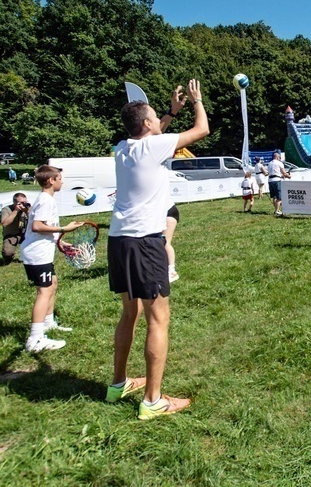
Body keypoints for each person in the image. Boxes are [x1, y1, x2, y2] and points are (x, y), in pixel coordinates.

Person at [106, 80, 208, 420]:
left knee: (129, 313)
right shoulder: (152, 147)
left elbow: (155, 134)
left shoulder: (123, 147)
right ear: (147, 125)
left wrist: (168, 112)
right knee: (158, 320)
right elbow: (202, 129)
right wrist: (195, 102)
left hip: (119, 240)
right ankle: (153, 401)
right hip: (144, 242)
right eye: (154, 118)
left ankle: (119, 383)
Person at [18, 165, 84, 352]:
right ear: (50, 181)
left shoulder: (45, 199)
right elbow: (37, 226)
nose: (62, 181)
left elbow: (44, 225)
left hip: (41, 251)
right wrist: (65, 229)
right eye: (60, 178)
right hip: (37, 253)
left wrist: (59, 242)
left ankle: (48, 322)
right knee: (44, 292)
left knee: (52, 283)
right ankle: (35, 339)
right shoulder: (46, 200)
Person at [0, 192, 29, 264]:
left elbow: (36, 221)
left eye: (25, 202)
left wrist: (27, 212)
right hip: (12, 234)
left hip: (25, 234)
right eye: (21, 203)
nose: (23, 204)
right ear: (14, 202)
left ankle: (28, 257)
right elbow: (4, 223)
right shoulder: (6, 210)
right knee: (8, 253)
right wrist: (16, 211)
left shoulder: (27, 209)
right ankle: (8, 259)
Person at [267, 151, 291, 216]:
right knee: (279, 197)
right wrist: (289, 176)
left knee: (274, 197)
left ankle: (276, 209)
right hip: (277, 180)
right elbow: (284, 173)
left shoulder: (269, 163)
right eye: (279, 157)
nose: (280, 158)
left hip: (270, 180)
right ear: (277, 157)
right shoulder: (279, 163)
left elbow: (271, 173)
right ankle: (276, 211)